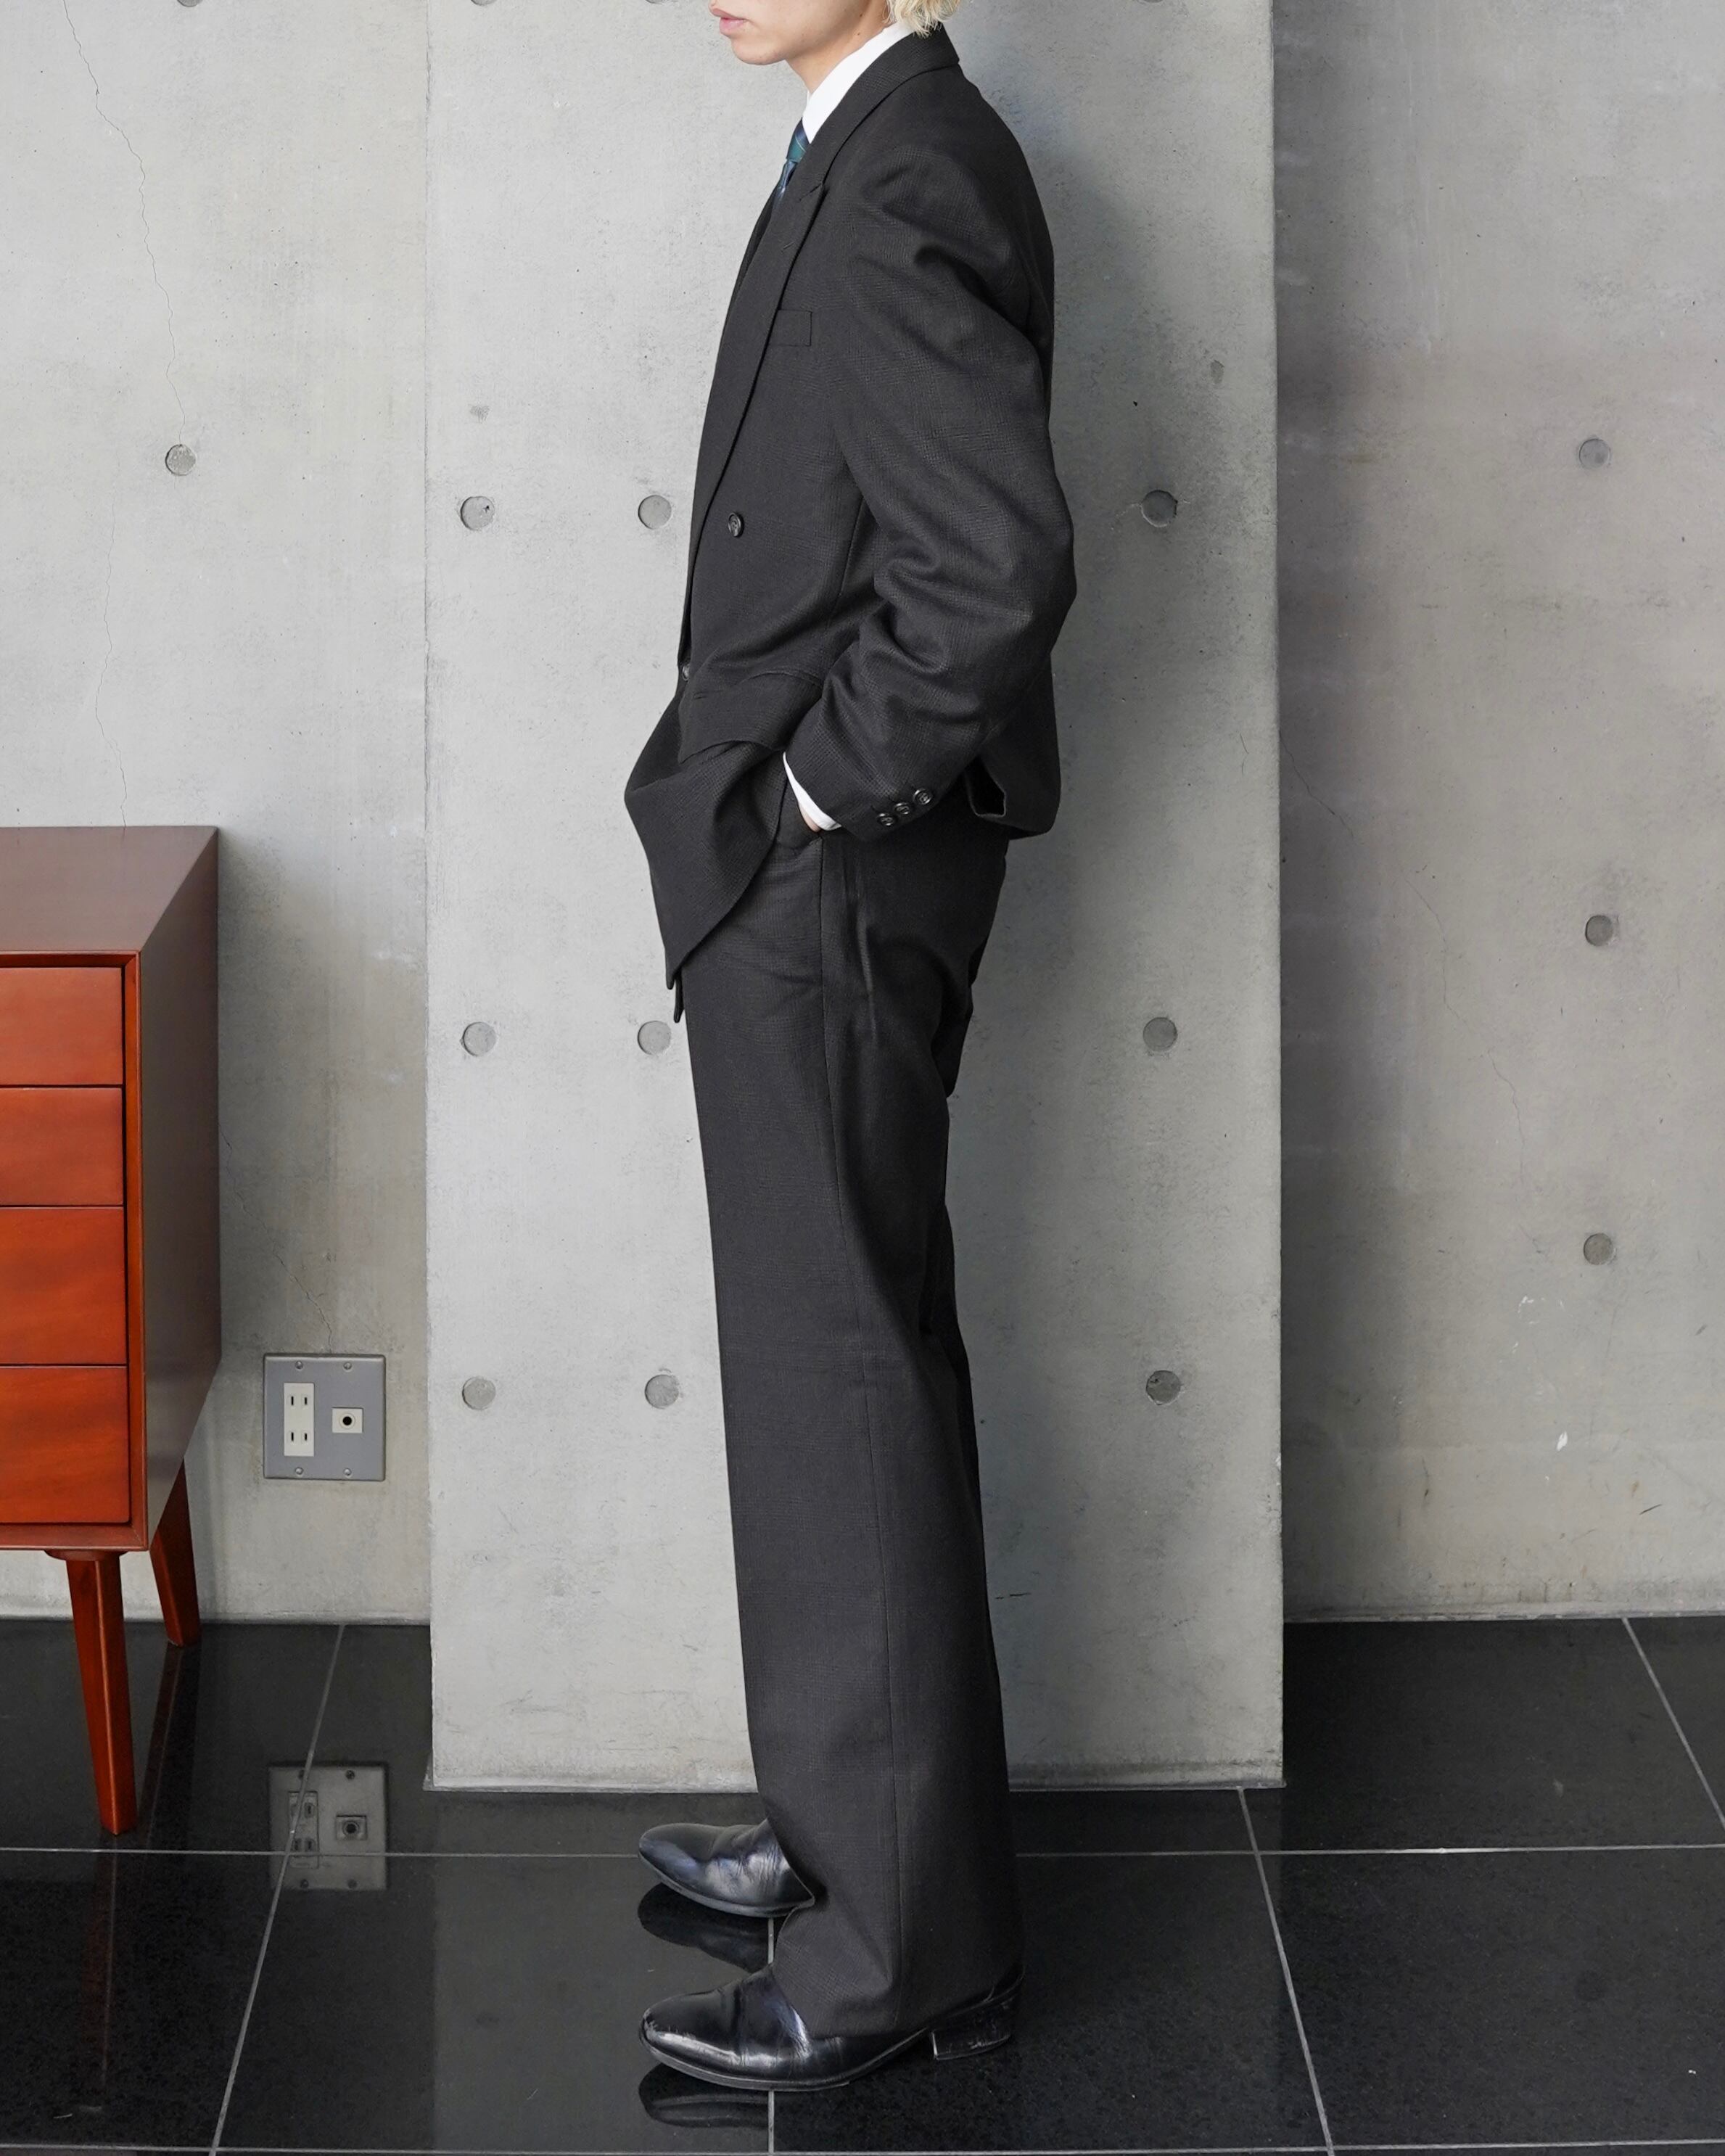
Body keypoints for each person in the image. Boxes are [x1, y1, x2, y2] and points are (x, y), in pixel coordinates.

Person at [623, 0, 1076, 2093]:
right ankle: (854, 1843)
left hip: (832, 882)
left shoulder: (907, 170)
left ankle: (894, 1954)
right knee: (845, 1375)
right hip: (816, 887)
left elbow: (991, 565)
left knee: (841, 1389)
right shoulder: (865, 140)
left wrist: (813, 794)